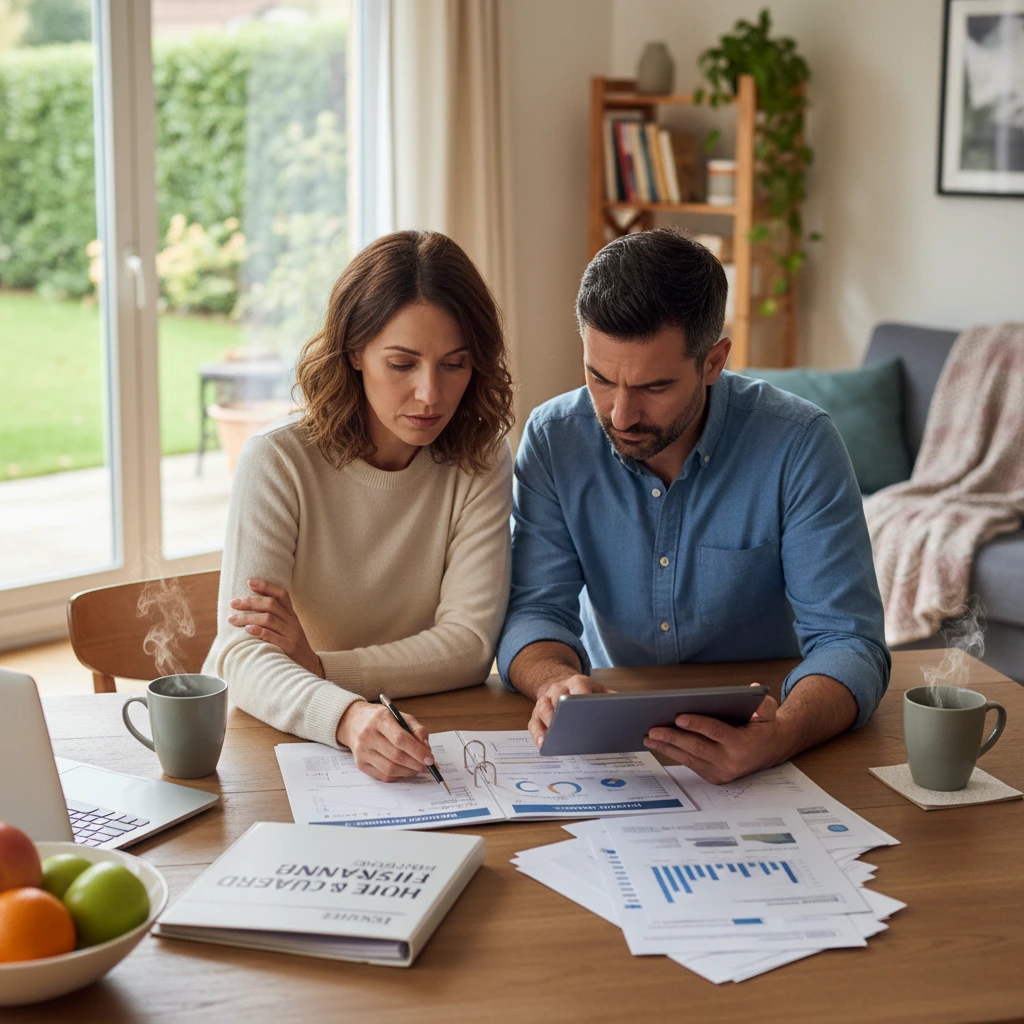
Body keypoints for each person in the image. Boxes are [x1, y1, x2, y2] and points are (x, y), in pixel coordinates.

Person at [497, 228, 889, 784]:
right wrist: (553, 681)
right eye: (599, 378)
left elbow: (848, 640)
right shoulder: (553, 438)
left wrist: (784, 732)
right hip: (612, 735)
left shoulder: (799, 444)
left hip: (766, 731)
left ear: (714, 361)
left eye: (653, 387)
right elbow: (535, 610)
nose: (621, 414)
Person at [204, 230, 514, 782]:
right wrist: (346, 716)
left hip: (416, 729)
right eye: (402, 364)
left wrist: (321, 666)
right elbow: (243, 657)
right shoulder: (277, 461)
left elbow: (469, 645)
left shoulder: (481, 457)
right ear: (354, 351)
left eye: (454, 364)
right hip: (276, 735)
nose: (431, 395)